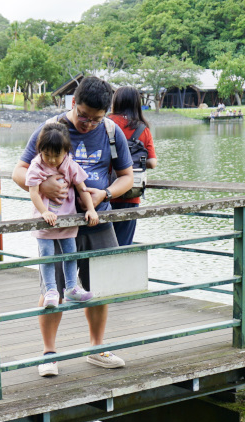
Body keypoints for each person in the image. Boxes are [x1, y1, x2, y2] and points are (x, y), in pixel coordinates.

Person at [12, 75, 134, 378]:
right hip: (57, 226)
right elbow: (19, 172)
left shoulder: (110, 131)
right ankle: (49, 353)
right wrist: (45, 189)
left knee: (99, 288)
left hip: (96, 219)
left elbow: (127, 178)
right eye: (82, 116)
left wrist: (105, 193)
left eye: (95, 119)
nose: (87, 124)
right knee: (52, 289)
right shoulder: (51, 129)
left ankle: (97, 349)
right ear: (73, 104)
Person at [26, 123, 99, 311]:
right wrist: (44, 212)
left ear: (66, 151)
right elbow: (33, 192)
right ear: (40, 150)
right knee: (47, 256)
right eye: (46, 154)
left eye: (56, 155)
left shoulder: (69, 164)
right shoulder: (36, 166)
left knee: (70, 254)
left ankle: (72, 287)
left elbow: (82, 188)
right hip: (45, 222)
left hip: (67, 220)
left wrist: (90, 209)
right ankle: (51, 290)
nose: (51, 160)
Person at [107, 85, 159, 248]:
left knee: (101, 244)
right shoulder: (142, 128)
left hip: (103, 191)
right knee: (122, 245)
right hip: (131, 192)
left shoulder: (106, 122)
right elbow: (152, 162)